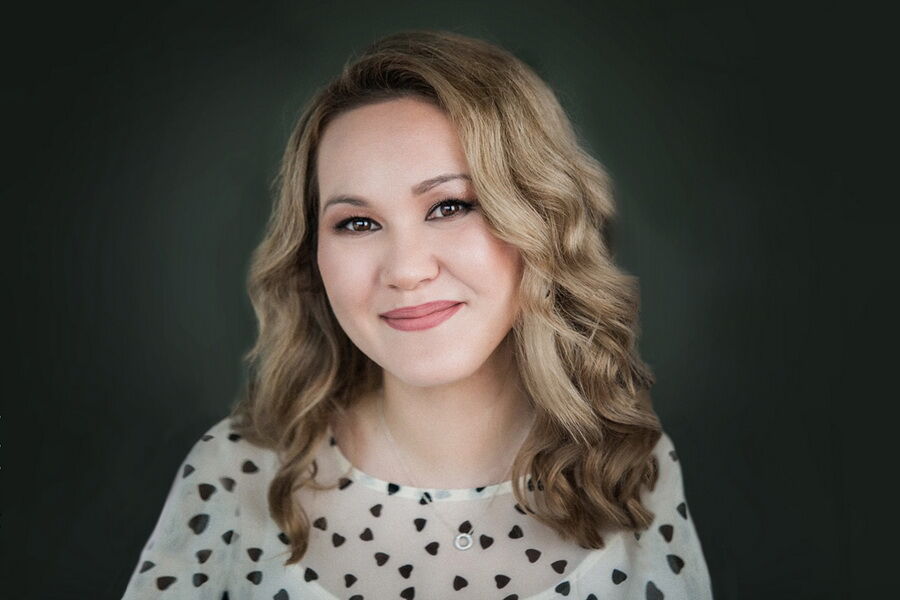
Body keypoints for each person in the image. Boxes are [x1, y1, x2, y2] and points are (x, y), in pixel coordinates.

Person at [121, 29, 712, 600]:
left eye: (450, 206)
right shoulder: (235, 473)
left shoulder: (630, 471)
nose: (405, 270)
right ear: (312, 256)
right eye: (357, 222)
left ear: (542, 220)